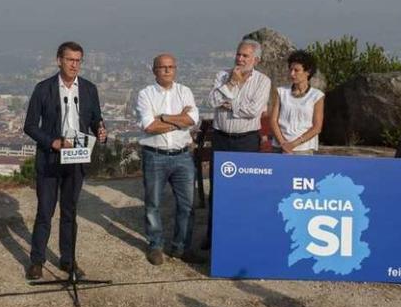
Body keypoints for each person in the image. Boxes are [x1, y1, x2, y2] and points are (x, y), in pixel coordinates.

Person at [24, 41, 107, 280]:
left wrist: (101, 131)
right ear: (59, 60)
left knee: (70, 212)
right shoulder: (43, 88)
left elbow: (96, 119)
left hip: (77, 159)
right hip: (50, 159)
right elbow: (29, 126)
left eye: (78, 60)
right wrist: (53, 142)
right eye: (70, 60)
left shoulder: (89, 89)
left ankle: (68, 261)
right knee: (45, 212)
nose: (74, 65)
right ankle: (37, 261)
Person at [202, 39, 271, 249]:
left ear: (256, 60)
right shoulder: (223, 76)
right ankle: (212, 236)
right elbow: (212, 101)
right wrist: (232, 83)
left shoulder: (263, 81)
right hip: (221, 137)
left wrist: (229, 104)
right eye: (238, 54)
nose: (240, 59)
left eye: (245, 56)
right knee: (217, 189)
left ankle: (241, 234)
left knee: (244, 188)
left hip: (246, 140)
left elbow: (254, 110)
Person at [135, 54, 200, 265]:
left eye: (170, 67)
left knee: (187, 205)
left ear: (175, 69)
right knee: (153, 203)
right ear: (154, 70)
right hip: (155, 156)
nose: (167, 71)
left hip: (182, 155)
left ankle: (182, 247)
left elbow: (192, 119)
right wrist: (179, 121)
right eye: (162, 67)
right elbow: (149, 126)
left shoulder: (185, 91)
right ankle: (155, 245)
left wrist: (163, 117)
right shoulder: (145, 94)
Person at [270, 50, 325, 154]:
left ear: (307, 72)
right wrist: (283, 143)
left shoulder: (317, 96)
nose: (292, 74)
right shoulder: (281, 92)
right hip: (279, 147)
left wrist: (293, 144)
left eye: (296, 70)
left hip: (303, 149)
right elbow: (273, 120)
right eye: (290, 69)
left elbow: (317, 127)